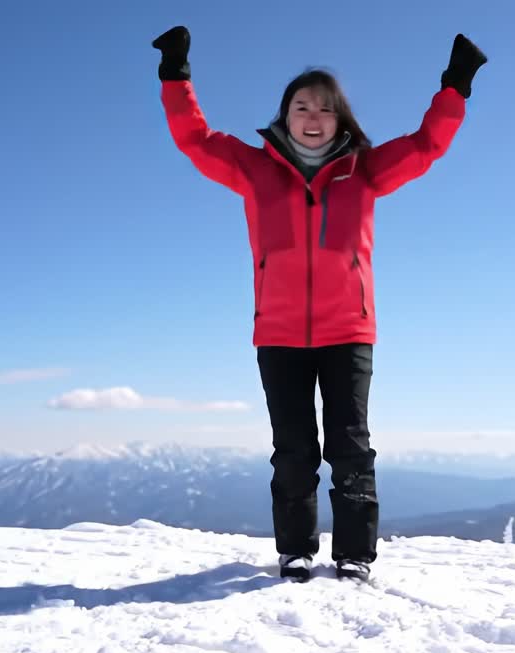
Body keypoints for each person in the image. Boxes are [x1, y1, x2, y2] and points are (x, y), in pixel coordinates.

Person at [151, 25, 486, 582]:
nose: (313, 116)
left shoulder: (366, 171)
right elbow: (196, 140)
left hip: (349, 331)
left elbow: (427, 145)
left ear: (340, 119)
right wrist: (175, 74)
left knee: (351, 446)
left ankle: (355, 554)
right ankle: (296, 550)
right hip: (278, 333)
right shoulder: (254, 170)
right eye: (302, 106)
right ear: (285, 116)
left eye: (325, 108)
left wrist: (456, 84)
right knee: (293, 449)